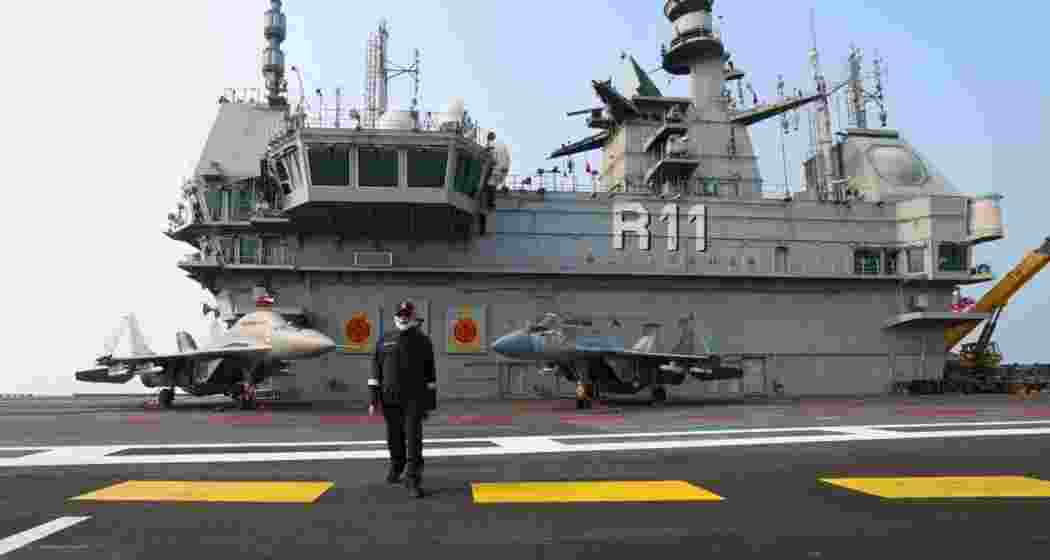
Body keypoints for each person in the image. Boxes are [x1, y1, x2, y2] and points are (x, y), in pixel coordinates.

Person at [368, 300, 437, 498]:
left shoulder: (423, 340)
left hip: (414, 399)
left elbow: (430, 374)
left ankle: (413, 478)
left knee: (414, 439)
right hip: (390, 398)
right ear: (395, 316)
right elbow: (375, 370)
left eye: (407, 314)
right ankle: (397, 465)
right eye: (400, 313)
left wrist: (429, 403)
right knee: (394, 436)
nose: (403, 317)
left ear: (412, 316)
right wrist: (374, 398)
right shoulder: (384, 339)